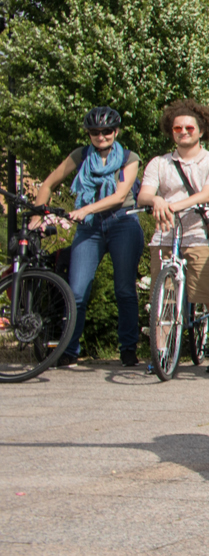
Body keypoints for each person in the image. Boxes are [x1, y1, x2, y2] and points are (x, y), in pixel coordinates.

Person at [34, 107, 143, 367]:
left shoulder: (129, 158)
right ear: (89, 134)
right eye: (95, 132)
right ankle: (69, 350)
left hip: (122, 222)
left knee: (125, 290)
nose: (101, 136)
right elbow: (47, 185)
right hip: (89, 228)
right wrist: (36, 216)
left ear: (115, 132)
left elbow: (118, 196)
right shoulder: (81, 156)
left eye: (106, 131)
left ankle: (128, 349)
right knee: (76, 292)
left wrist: (84, 209)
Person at [137, 99, 209, 373]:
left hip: (199, 234)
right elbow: (145, 193)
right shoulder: (159, 163)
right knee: (163, 298)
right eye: (177, 128)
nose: (183, 132)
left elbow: (207, 193)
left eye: (189, 127)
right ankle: (162, 351)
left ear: (201, 130)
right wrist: (155, 200)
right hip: (165, 235)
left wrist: (169, 205)